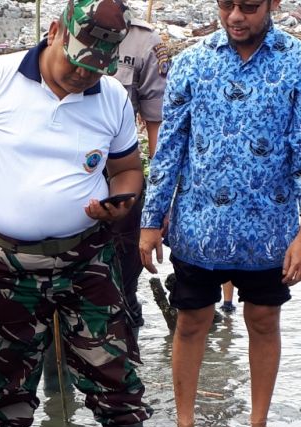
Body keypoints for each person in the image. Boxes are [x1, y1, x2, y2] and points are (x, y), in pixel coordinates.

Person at [0, 0, 150, 427]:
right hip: (9, 262)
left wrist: (121, 200)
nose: (84, 76)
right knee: (6, 383)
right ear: (55, 31)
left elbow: (126, 169)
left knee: (116, 374)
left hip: (87, 258)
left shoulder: (112, 97)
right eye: (78, 62)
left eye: (97, 68)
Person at [138, 0, 301, 427]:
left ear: (273, 4)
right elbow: (169, 148)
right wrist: (151, 220)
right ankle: (185, 426)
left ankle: (258, 425)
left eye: (249, 6)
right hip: (198, 228)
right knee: (190, 323)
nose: (235, 17)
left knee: (264, 321)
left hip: (268, 228)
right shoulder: (191, 62)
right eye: (227, 5)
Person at [112, 12, 168, 330]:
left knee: (123, 276)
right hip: (67, 180)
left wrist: (159, 202)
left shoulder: (145, 41)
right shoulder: (62, 30)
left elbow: (156, 130)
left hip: (121, 175)